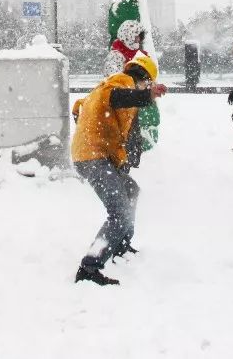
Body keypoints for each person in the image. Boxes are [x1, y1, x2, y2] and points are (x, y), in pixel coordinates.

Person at [70, 52, 167, 287]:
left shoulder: (106, 86)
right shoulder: (122, 82)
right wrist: (146, 95)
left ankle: (121, 245)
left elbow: (79, 106)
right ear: (144, 79)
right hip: (93, 158)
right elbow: (116, 97)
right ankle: (89, 268)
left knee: (131, 191)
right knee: (120, 213)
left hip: (97, 155)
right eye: (147, 84)